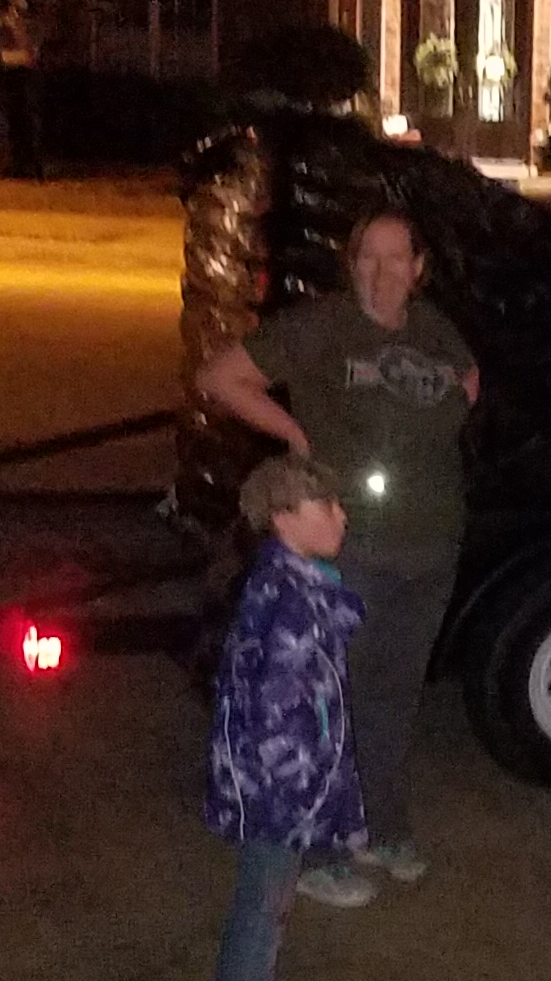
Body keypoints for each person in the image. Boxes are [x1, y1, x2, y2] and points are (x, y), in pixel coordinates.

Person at [196, 204, 477, 904]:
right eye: (367, 258)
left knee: (393, 695)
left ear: (418, 268)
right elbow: (220, 378)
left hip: (429, 550)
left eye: (396, 258)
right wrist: (297, 436)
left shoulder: (434, 328)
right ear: (351, 266)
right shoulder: (321, 326)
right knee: (327, 704)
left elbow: (470, 379)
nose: (382, 272)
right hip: (349, 548)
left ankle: (381, 828)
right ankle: (317, 850)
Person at [205, 451, 364, 981]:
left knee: (261, 913)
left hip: (269, 787)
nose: (342, 517)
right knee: (262, 920)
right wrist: (303, 798)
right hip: (276, 792)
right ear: (284, 517)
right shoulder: (291, 602)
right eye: (326, 505)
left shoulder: (291, 581)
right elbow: (277, 717)